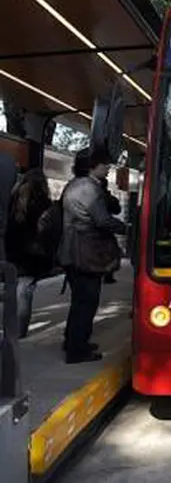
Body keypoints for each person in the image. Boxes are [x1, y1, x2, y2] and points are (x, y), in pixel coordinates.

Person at [59, 148, 126, 363]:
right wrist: (128, 228)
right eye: (104, 164)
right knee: (87, 302)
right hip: (85, 253)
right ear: (92, 166)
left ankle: (72, 341)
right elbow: (103, 220)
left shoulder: (74, 185)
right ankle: (77, 350)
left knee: (79, 301)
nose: (108, 168)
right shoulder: (90, 189)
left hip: (71, 251)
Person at [5, 168, 55, 338]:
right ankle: (20, 331)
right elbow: (48, 231)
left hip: (13, 252)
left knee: (14, 290)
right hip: (32, 255)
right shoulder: (43, 202)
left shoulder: (12, 199)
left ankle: (10, 325)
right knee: (25, 292)